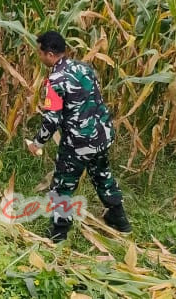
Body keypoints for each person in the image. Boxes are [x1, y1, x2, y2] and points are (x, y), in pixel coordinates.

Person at [27, 31, 132, 242]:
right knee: (102, 176)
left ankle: (59, 233)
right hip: (101, 135)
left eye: (39, 53)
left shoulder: (55, 81)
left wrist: (37, 142)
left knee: (62, 186)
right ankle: (120, 221)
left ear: (49, 54)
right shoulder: (85, 68)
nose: (38, 57)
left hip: (78, 142)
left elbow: (51, 120)